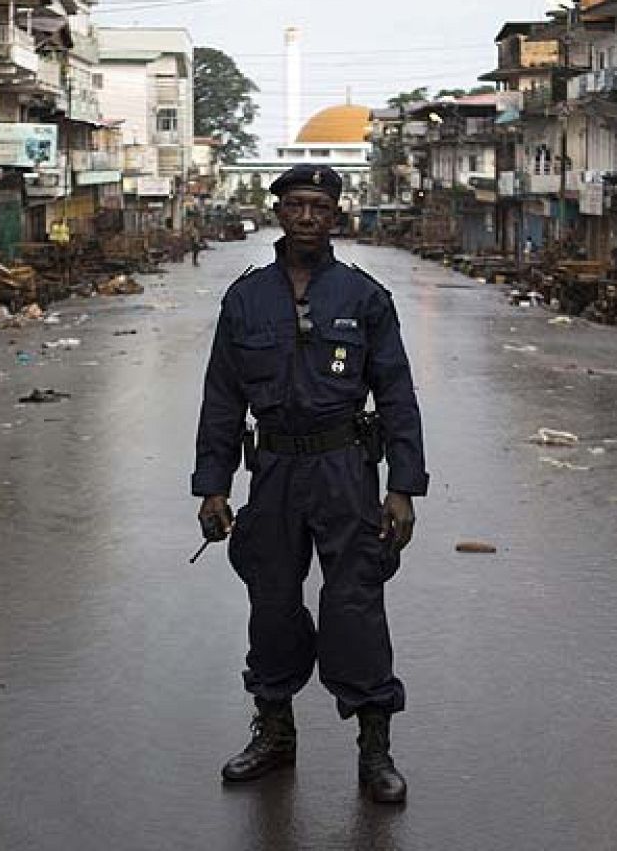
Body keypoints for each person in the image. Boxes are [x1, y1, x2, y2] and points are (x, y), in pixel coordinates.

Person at [192, 163, 429, 805]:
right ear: (278, 212)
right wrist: (213, 484)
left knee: (354, 603)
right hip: (271, 473)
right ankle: (274, 734)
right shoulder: (245, 298)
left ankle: (374, 749)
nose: (306, 217)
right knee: (271, 603)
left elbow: (397, 392)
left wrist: (403, 485)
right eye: (295, 204)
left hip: (345, 469)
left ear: (335, 216)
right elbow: (221, 398)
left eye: (318, 207)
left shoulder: (364, 296)